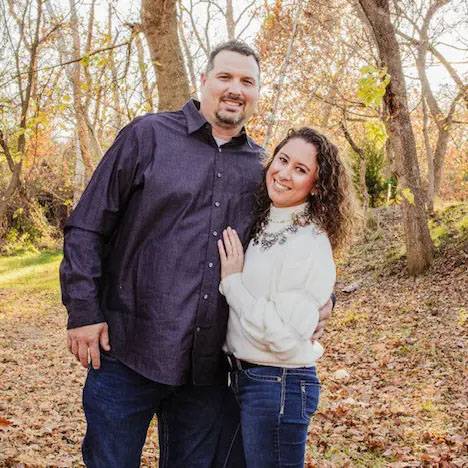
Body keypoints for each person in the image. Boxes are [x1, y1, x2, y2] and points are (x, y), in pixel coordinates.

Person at [60, 40, 333, 468]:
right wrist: (82, 311)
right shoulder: (146, 137)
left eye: (247, 81)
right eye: (225, 77)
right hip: (127, 350)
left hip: (206, 370)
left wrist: (325, 299)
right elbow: (87, 226)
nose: (235, 89)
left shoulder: (262, 168)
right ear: (203, 81)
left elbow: (293, 239)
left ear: (257, 94)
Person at [217, 127, 354, 468]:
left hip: (278, 385)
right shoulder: (266, 220)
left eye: (300, 169)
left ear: (318, 185)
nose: (284, 174)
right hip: (242, 378)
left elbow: (282, 336)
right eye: (282, 160)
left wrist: (232, 283)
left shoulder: (310, 241)